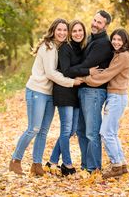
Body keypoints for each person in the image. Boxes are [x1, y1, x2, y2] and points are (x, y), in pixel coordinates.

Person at [9, 18, 83, 176]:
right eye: (59, 29)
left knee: (43, 131)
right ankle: (15, 160)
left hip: (50, 94)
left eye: (65, 30)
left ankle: (36, 165)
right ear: (53, 30)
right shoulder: (48, 46)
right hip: (37, 90)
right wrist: (72, 82)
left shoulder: (60, 47)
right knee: (33, 128)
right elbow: (51, 73)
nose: (62, 32)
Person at [84, 28, 129, 179]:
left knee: (105, 132)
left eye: (120, 40)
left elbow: (106, 74)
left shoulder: (123, 56)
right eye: (114, 39)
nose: (116, 42)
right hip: (116, 96)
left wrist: (85, 78)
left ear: (125, 42)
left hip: (117, 97)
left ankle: (116, 165)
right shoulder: (120, 54)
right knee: (111, 132)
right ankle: (121, 164)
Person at [69, 10, 113, 173]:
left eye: (99, 22)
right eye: (94, 20)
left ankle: (94, 167)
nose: (95, 24)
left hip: (94, 92)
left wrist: (69, 70)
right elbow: (83, 65)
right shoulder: (90, 39)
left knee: (91, 132)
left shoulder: (103, 44)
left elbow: (85, 65)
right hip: (83, 90)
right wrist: (80, 69)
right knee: (80, 131)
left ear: (106, 26)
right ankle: (86, 165)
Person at [46, 20, 87, 176]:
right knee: (66, 130)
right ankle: (67, 164)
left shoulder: (80, 49)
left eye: (80, 31)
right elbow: (66, 71)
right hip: (64, 91)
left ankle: (52, 161)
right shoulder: (65, 48)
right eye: (74, 31)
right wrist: (86, 71)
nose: (77, 33)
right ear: (70, 33)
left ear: (84, 33)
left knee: (71, 131)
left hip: (75, 92)